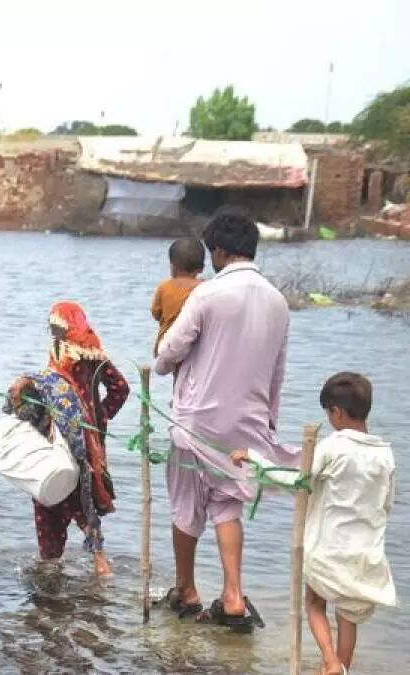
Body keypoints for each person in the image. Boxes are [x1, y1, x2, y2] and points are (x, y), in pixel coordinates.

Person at [154, 207, 295, 632]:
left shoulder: (208, 294)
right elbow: (277, 371)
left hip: (197, 422)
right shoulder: (278, 300)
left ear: (217, 251)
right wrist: (268, 423)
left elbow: (171, 351)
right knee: (227, 505)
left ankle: (187, 589)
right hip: (248, 425)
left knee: (185, 505)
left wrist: (161, 363)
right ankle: (233, 595)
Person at [230, 372, 395, 675]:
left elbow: (297, 480)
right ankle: (340, 668)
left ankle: (330, 663)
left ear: (337, 412)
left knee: (314, 604)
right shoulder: (385, 454)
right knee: (348, 616)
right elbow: (387, 503)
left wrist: (255, 459)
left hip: (329, 548)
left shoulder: (333, 446)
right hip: (365, 553)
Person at [10, 301, 127, 577]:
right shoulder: (92, 353)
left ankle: (92, 562)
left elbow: (117, 388)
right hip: (73, 435)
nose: (53, 331)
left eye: (57, 326)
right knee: (63, 495)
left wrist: (97, 419)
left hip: (73, 439)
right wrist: (98, 419)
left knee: (69, 495)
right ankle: (62, 564)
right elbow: (119, 389)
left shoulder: (78, 353)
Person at [150, 237, 205, 356]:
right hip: (196, 346)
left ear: (172, 266)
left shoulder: (164, 287)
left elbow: (156, 313)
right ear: (201, 268)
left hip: (167, 343)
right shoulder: (205, 287)